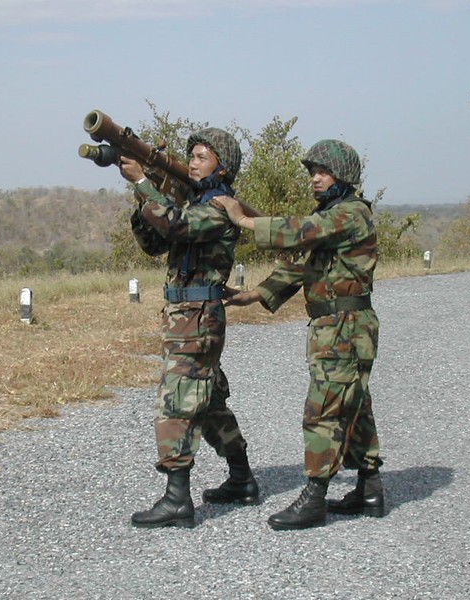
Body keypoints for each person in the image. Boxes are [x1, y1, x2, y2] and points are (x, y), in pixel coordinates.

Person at [211, 139, 384, 531]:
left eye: (322, 172)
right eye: (312, 173)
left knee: (323, 409)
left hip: (344, 327)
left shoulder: (350, 214)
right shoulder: (333, 218)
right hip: (338, 327)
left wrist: (242, 219)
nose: (315, 179)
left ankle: (315, 497)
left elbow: (301, 231)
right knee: (353, 404)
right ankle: (369, 488)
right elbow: (305, 267)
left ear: (344, 176)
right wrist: (253, 295)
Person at [118, 128, 259, 529]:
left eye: (202, 157)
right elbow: (154, 240)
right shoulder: (192, 201)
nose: (193, 162)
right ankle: (242, 478)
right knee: (208, 401)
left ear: (223, 166)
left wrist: (146, 184)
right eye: (191, 156)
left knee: (176, 400)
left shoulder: (220, 206)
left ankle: (177, 498)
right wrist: (144, 191)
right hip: (185, 315)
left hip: (198, 316)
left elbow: (177, 226)